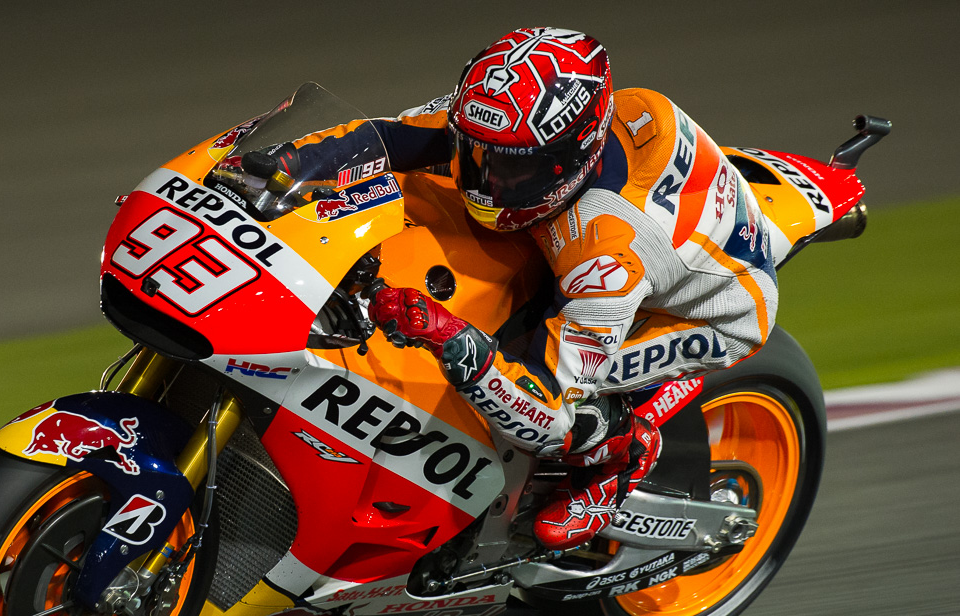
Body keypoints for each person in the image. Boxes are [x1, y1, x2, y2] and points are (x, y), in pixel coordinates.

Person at [279, 27, 777, 550]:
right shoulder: (514, 124)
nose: (484, 180)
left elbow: (549, 412)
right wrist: (287, 163)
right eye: (477, 154)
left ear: (569, 160)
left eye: (511, 169)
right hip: (654, 220)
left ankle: (619, 457)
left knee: (568, 402)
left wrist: (449, 336)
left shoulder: (606, 257)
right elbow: (394, 138)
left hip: (711, 312)